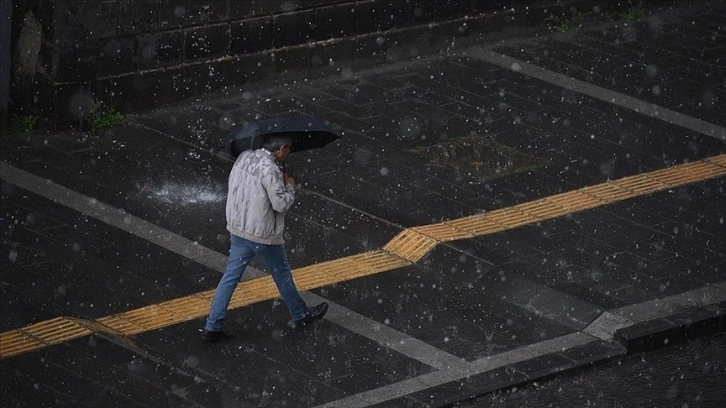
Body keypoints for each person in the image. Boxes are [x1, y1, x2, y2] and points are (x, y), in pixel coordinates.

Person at [201, 135, 328, 342]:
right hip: (261, 234)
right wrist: (289, 187)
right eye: (289, 149)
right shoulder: (270, 170)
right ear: (281, 149)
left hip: (238, 228)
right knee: (282, 275)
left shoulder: (244, 157)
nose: (289, 153)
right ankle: (301, 315)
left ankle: (212, 325)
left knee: (230, 277)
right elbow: (281, 205)